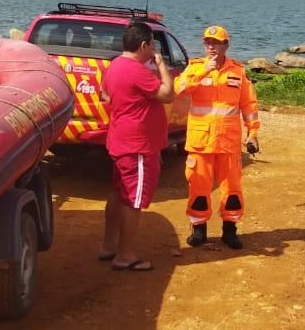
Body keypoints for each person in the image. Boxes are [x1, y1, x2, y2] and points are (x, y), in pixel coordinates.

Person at [174, 24, 260, 250]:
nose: (211, 47)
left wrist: (253, 133)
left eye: (216, 43)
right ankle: (199, 230)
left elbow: (249, 105)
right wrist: (204, 71)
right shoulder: (195, 68)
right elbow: (179, 89)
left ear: (225, 45)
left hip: (228, 143)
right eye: (207, 43)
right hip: (200, 143)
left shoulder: (238, 72)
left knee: (232, 190)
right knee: (199, 189)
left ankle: (230, 231)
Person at [99, 21, 175, 271]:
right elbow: (167, 94)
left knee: (118, 194)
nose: (153, 49)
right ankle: (125, 254)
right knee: (133, 200)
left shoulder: (114, 66)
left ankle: (109, 245)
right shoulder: (136, 70)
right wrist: (162, 66)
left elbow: (105, 96)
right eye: (152, 44)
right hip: (138, 147)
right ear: (144, 45)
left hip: (120, 141)